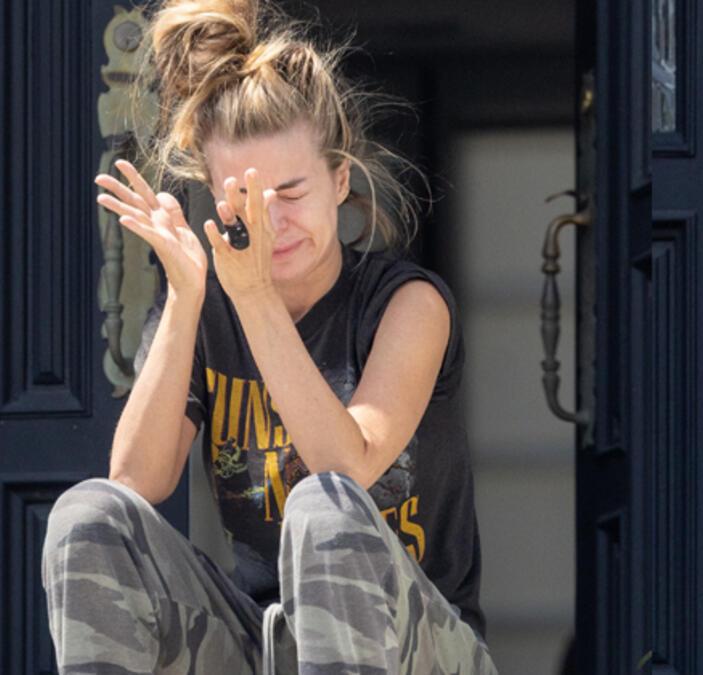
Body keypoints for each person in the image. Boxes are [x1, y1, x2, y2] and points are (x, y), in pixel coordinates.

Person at [41, 0, 496, 672]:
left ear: (339, 180)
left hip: (417, 643)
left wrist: (254, 298)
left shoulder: (407, 304)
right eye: (246, 198)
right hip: (265, 641)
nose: (272, 221)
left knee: (326, 506)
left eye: (290, 191)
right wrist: (186, 298)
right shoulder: (207, 306)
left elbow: (347, 467)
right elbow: (137, 480)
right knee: (89, 516)